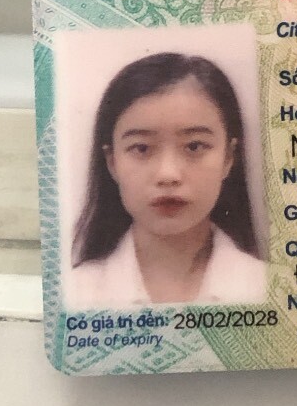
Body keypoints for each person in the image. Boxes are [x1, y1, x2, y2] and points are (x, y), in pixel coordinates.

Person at [66, 50, 267, 307]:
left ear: (228, 157)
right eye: (141, 148)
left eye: (194, 146)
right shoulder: (75, 294)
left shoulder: (272, 289)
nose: (168, 174)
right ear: (112, 162)